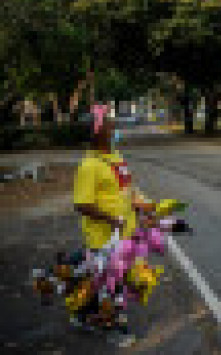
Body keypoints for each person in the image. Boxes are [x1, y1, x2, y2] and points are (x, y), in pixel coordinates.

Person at [71, 103, 139, 346]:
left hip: (125, 233)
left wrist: (142, 205)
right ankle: (116, 329)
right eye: (110, 126)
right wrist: (111, 219)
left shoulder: (116, 158)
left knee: (103, 281)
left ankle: (81, 314)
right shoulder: (89, 166)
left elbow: (126, 189)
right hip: (103, 238)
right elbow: (81, 204)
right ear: (97, 133)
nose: (115, 129)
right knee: (114, 286)